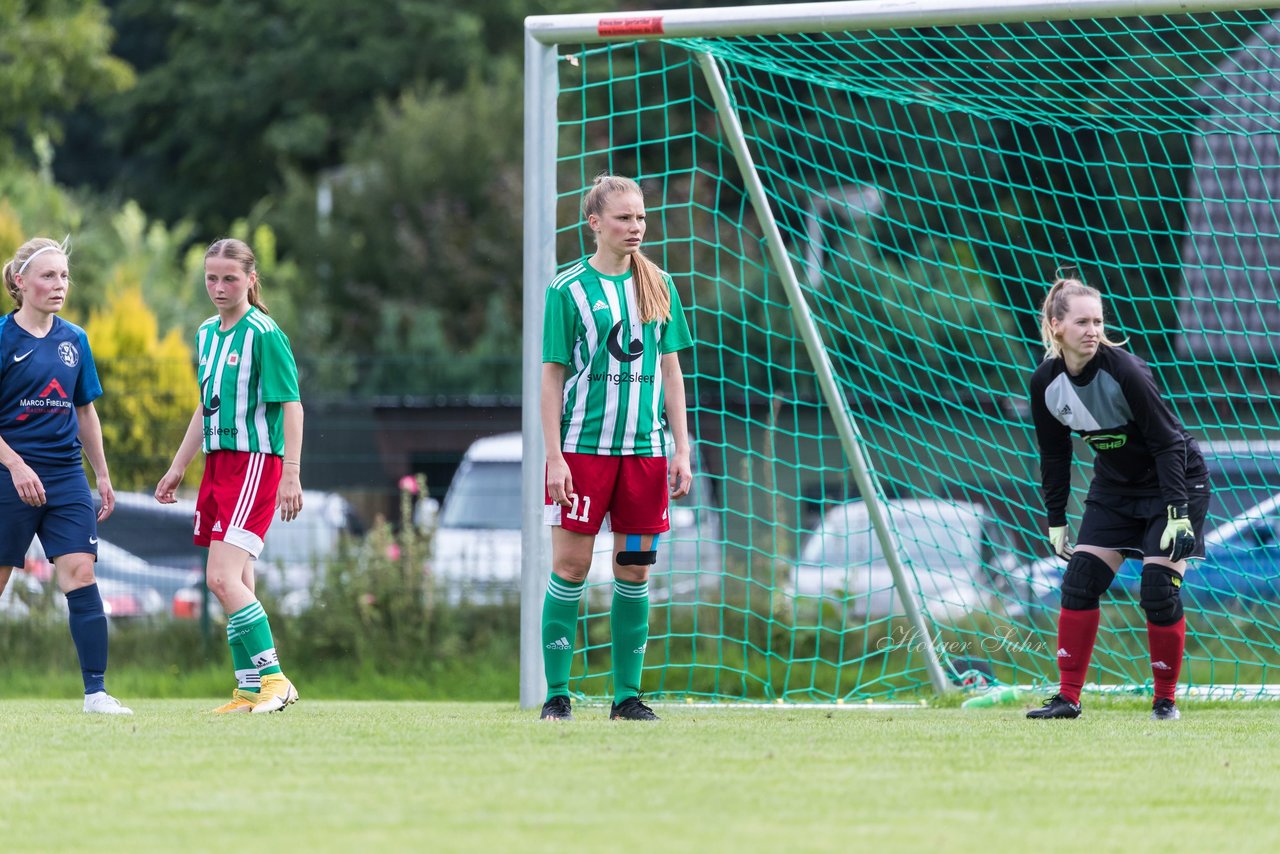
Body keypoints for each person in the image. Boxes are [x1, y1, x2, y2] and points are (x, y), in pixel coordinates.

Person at [538, 174, 694, 722]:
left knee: (634, 570)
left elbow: (671, 371)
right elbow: (552, 377)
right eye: (624, 218)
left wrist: (680, 446)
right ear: (595, 224)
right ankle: (557, 694)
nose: (636, 227)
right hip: (583, 453)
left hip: (645, 456)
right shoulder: (567, 288)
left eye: (641, 217)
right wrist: (554, 456)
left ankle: (626, 697)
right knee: (572, 568)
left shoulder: (658, 284)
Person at [1027, 274, 1210, 721]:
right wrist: (1056, 519)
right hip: (1114, 489)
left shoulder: (1125, 369)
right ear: (1056, 326)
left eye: (1098, 321)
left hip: (1176, 482)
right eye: (1082, 322)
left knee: (1156, 592)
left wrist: (1178, 514)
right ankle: (1068, 698)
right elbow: (1054, 454)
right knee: (1079, 583)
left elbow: (1168, 444)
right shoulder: (1045, 383)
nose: (1093, 330)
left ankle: (1164, 702)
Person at [154, 238, 304, 714]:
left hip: (255, 463)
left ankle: (276, 679)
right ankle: (249, 687)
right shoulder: (205, 333)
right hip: (219, 465)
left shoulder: (264, 333)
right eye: (211, 278)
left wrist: (292, 474)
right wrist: (179, 466)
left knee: (219, 578)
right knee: (236, 577)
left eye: (230, 278)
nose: (219, 287)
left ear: (250, 280)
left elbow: (292, 405)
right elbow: (206, 405)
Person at [0, 237, 131, 715]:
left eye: (64, 276)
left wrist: (102, 476)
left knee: (80, 572)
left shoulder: (74, 339)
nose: (59, 285)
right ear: (20, 282)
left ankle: (96, 693)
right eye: (48, 276)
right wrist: (14, 465)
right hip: (6, 475)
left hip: (65, 477)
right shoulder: (1, 338)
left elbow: (85, 412)